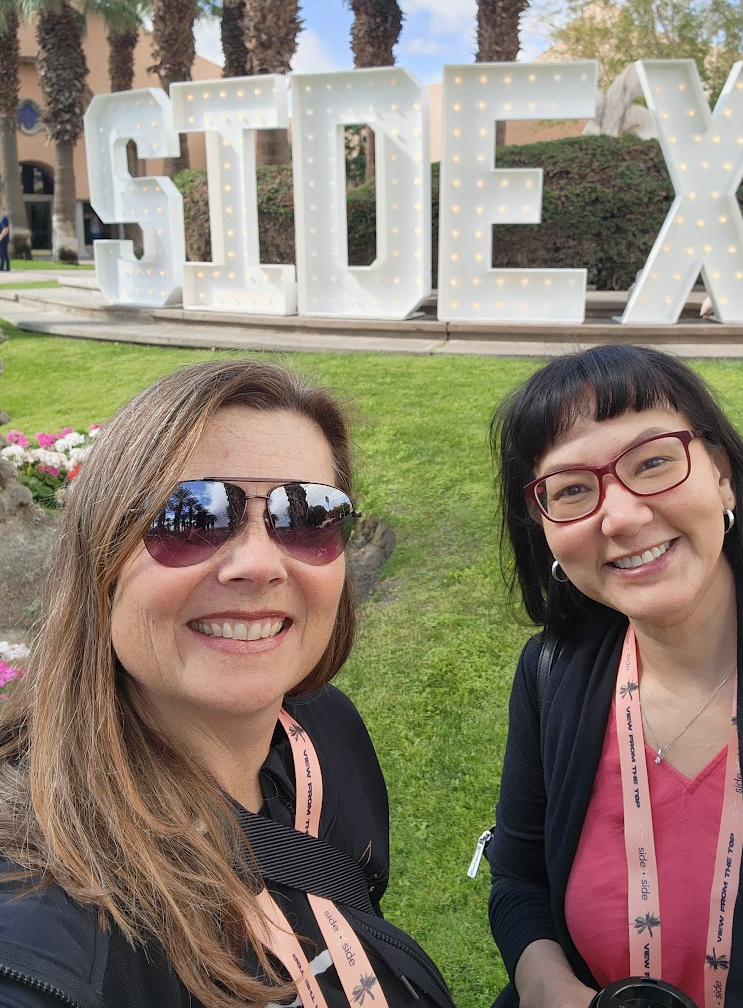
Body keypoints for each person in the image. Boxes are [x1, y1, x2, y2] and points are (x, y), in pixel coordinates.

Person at [0, 358, 455, 1008]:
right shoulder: (45, 916)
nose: (260, 564)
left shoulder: (327, 733)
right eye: (192, 517)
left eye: (307, 516)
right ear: (100, 558)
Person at [486, 343, 743, 1008]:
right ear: (544, 528)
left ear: (722, 475)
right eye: (571, 490)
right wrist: (544, 981)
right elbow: (520, 878)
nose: (622, 516)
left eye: (653, 462)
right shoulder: (551, 674)